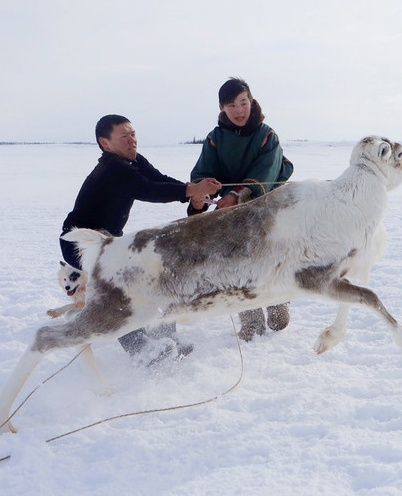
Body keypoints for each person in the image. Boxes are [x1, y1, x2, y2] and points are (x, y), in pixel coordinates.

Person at [61, 114, 222, 365]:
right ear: (105, 142)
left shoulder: (134, 161)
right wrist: (192, 191)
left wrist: (194, 191)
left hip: (109, 240)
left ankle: (168, 340)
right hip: (81, 243)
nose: (131, 140)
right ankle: (143, 351)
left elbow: (159, 180)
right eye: (123, 136)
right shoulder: (112, 168)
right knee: (120, 291)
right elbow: (148, 190)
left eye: (133, 134)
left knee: (155, 277)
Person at [187, 77, 294, 341]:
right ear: (222, 107)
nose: (239, 110)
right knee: (236, 265)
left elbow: (267, 171)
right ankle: (251, 318)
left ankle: (279, 303)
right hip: (231, 212)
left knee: (270, 258)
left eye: (243, 102)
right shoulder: (215, 139)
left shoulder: (266, 135)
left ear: (251, 101)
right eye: (231, 105)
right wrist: (202, 194)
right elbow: (203, 172)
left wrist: (238, 193)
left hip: (265, 205)